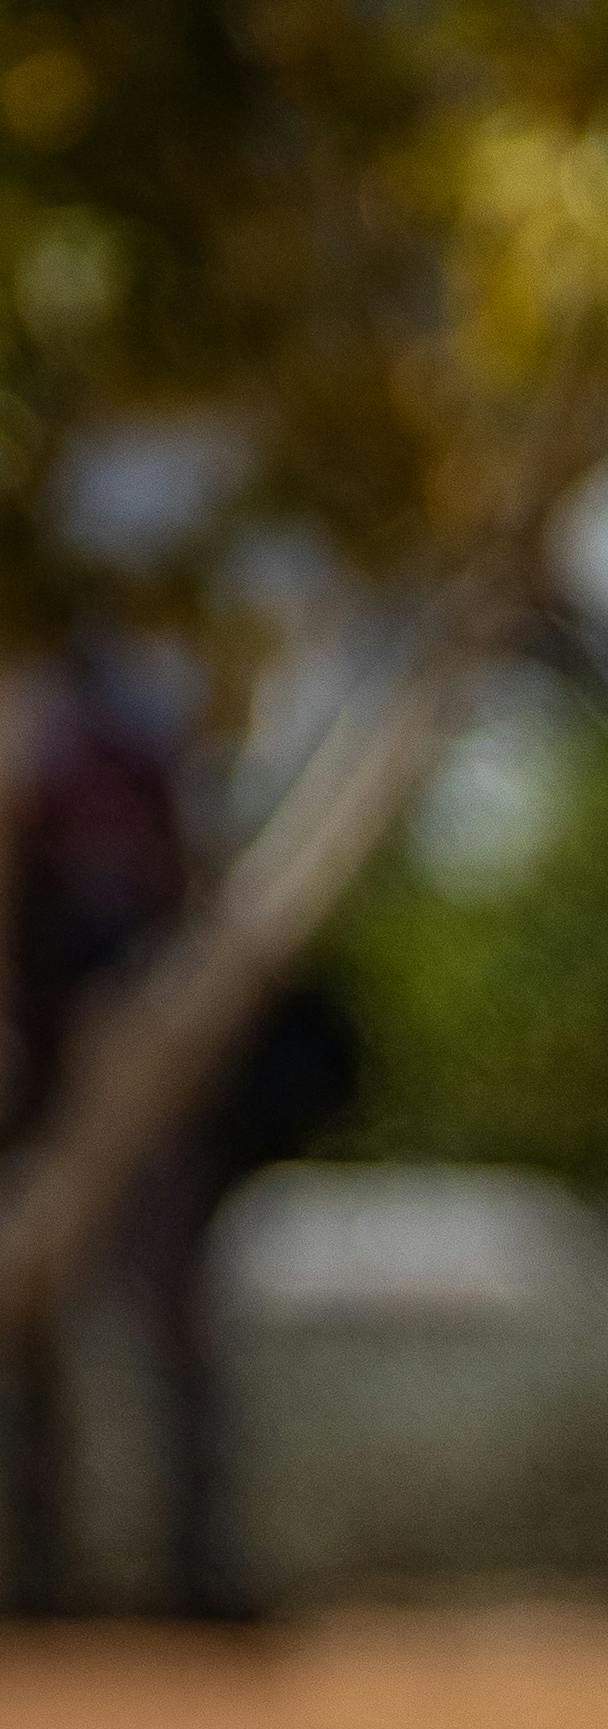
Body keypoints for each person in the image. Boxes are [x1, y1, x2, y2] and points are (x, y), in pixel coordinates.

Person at [1, 647, 357, 1627]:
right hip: (48, 1099)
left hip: (149, 1096)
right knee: (37, 1350)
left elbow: (191, 898)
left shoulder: (136, 753)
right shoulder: (47, 747)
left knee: (181, 1336)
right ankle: (44, 1579)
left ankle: (197, 1572)